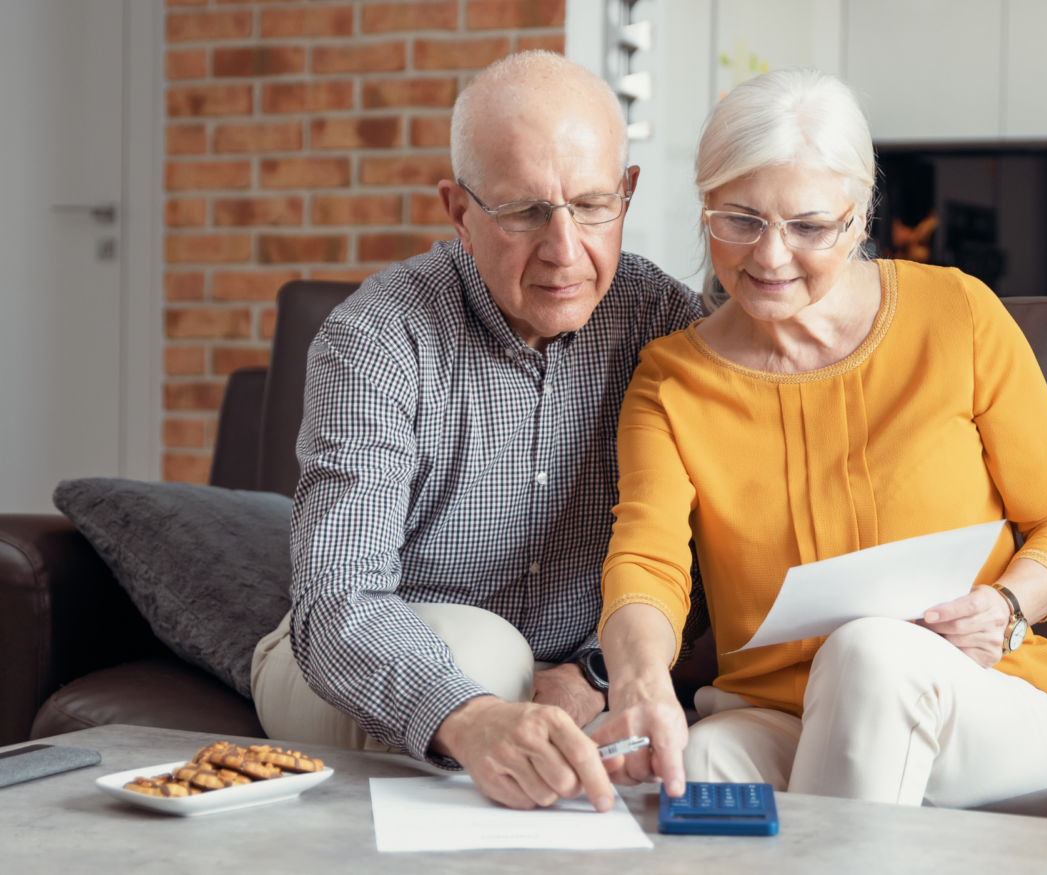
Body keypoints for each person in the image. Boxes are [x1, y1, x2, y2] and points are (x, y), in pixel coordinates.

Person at [590, 69, 1047, 808]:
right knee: (693, 763)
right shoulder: (671, 380)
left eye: (808, 226)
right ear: (704, 208)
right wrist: (640, 690)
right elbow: (648, 562)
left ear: (859, 217)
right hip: (778, 719)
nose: (769, 257)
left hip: (982, 704)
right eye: (740, 219)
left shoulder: (956, 314)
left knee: (869, 653)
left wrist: (1009, 606)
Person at [249, 51, 706, 814]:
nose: (564, 251)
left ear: (627, 193)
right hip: (357, 661)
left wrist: (592, 673)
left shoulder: (669, 325)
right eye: (524, 212)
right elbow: (338, 602)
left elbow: (707, 565)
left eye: (593, 205)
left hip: (571, 672)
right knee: (489, 658)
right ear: (458, 210)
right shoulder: (375, 338)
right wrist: (476, 714)